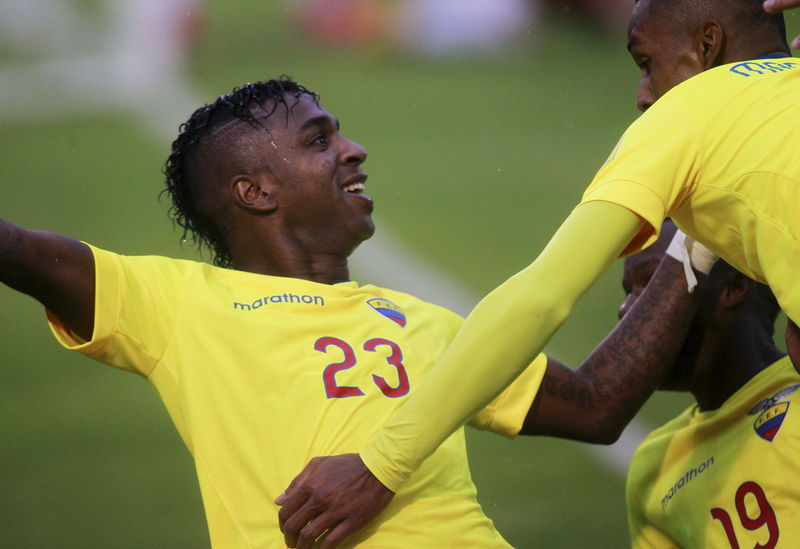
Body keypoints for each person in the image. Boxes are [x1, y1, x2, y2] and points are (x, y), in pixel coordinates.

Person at [0, 77, 712, 548]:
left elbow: (596, 406)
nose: (354, 150)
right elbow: (23, 252)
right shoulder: (175, 305)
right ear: (254, 192)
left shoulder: (428, 323)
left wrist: (701, 239)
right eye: (320, 140)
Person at [275, 0, 800, 545]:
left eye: (647, 63)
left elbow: (539, 298)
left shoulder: (685, 115)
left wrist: (381, 465)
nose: (643, 96)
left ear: (708, 45)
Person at [621, 222, 800, 548]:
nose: (626, 312)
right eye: (627, 292)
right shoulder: (653, 468)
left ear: (733, 286)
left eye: (654, 288)